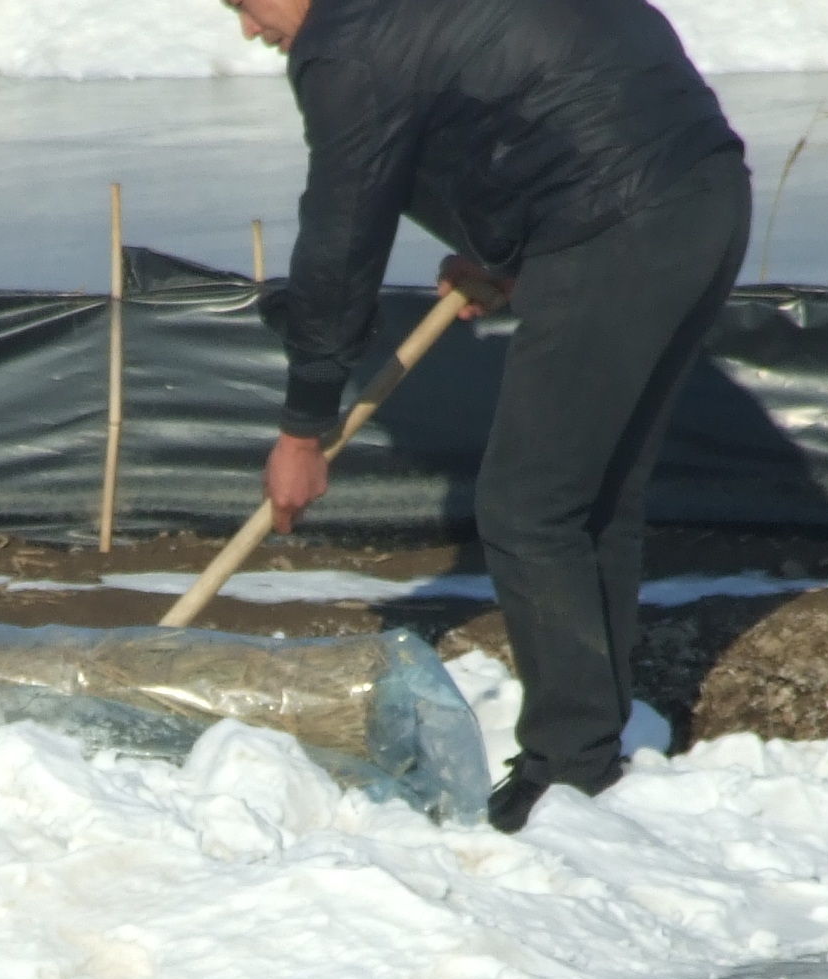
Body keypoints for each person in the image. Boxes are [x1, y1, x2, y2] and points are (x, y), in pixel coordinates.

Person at [228, 0, 749, 831]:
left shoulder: (347, 45)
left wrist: (303, 430)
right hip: (704, 186)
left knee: (527, 503)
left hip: (619, 218)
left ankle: (567, 768)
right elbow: (532, 89)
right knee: (592, 493)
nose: (249, 28)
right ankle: (590, 743)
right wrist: (511, 247)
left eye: (241, 3)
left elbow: (340, 240)